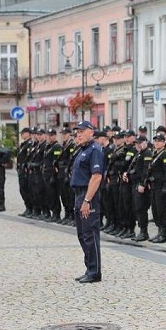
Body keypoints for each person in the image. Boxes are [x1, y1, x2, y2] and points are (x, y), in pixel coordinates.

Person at [69, 121, 105, 283]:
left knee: (90, 234)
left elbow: (96, 177)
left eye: (82, 131)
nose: (79, 134)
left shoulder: (95, 150)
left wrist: (87, 200)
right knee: (82, 235)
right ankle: (89, 267)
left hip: (87, 195)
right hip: (79, 194)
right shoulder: (83, 150)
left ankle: (95, 272)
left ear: (92, 132)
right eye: (77, 132)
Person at [146, 133, 166, 243]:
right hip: (154, 186)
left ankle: (163, 234)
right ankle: (159, 231)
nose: (157, 143)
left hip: (162, 187)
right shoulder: (155, 154)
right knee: (155, 210)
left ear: (164, 143)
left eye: (159, 141)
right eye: (155, 141)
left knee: (162, 210)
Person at [127, 136, 153, 242]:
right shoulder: (139, 153)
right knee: (136, 208)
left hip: (140, 185)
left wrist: (143, 184)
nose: (138, 145)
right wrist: (127, 174)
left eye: (140, 143)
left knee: (141, 209)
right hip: (135, 184)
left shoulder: (147, 153)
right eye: (136, 143)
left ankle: (144, 232)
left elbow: (146, 170)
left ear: (145, 142)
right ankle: (141, 231)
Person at [16, 127, 34, 216]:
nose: (22, 134)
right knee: (22, 190)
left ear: (28, 133)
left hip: (26, 170)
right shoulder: (23, 144)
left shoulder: (30, 144)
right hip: (21, 170)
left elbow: (29, 157)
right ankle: (28, 208)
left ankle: (31, 209)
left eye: (23, 133)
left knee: (27, 190)